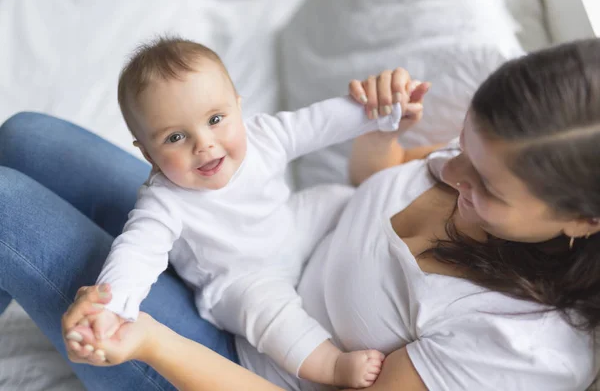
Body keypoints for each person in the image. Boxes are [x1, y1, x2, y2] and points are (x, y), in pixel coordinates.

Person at [0, 38, 595, 390]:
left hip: (234, 362)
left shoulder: (520, 341)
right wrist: (384, 121)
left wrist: (149, 341)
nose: (453, 171)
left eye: (485, 183)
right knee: (24, 135)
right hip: (244, 244)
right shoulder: (487, 162)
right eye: (462, 144)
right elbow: (371, 188)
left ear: (583, 220)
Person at [77, 36, 429, 389]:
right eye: (175, 138)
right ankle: (332, 365)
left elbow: (317, 122)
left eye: (215, 118)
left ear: (238, 107)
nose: (204, 144)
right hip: (240, 278)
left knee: (344, 197)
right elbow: (136, 252)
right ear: (148, 155)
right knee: (270, 317)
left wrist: (379, 111)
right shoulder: (164, 201)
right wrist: (113, 306)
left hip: (290, 226)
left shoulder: (263, 136)